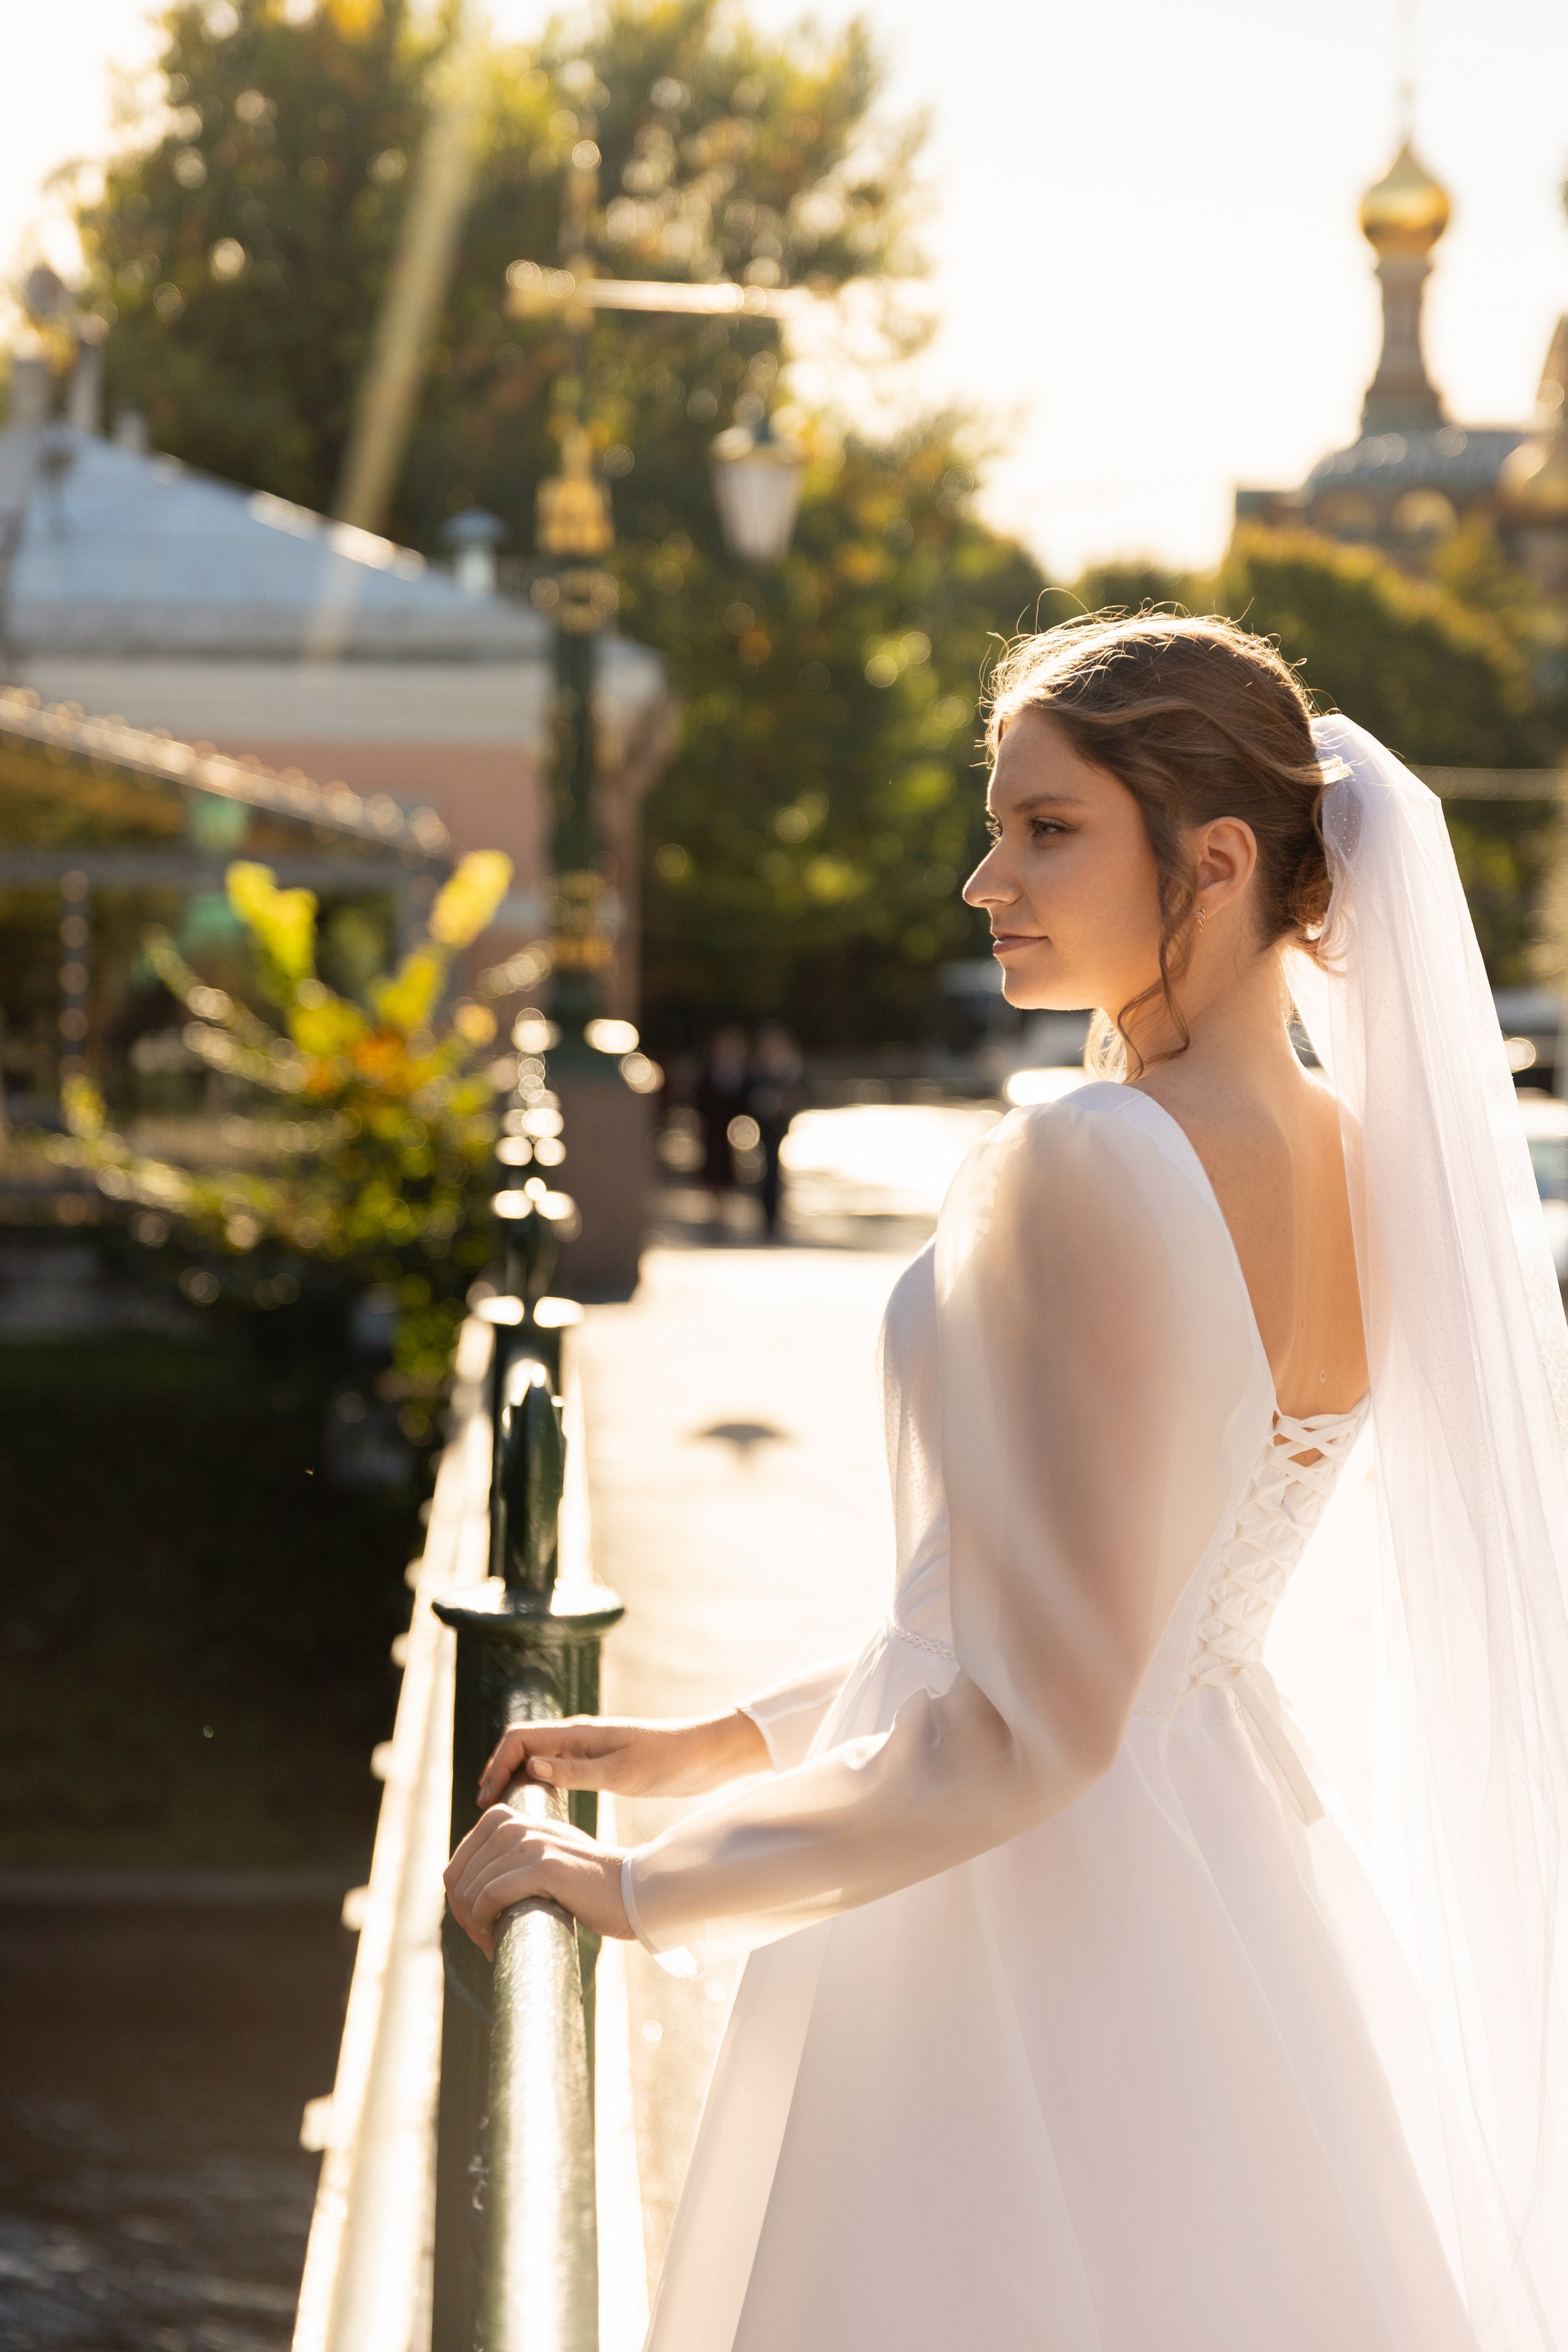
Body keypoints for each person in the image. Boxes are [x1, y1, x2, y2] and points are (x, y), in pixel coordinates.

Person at [446, 614, 1568, 2352]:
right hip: (1225, 1897)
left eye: (1048, 828)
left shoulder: (1093, 1155)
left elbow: (1036, 1724)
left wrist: (642, 1886)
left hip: (1016, 1931)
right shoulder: (1361, 1158)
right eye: (1000, 824)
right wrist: (715, 1746)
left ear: (1215, 859)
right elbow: (1131, 1607)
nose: (987, 879)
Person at [744, 1022, 809, 1238]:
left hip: (780, 1125)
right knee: (767, 1170)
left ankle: (772, 1217)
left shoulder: (791, 1067)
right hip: (762, 1126)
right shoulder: (758, 1068)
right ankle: (767, 1217)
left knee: (774, 1170)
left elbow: (804, 1093)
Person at [695, 1025, 750, 1216]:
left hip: (730, 1129)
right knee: (712, 1165)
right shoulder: (710, 1068)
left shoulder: (739, 1070)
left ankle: (723, 1205)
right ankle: (714, 1205)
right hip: (712, 1127)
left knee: (727, 1166)